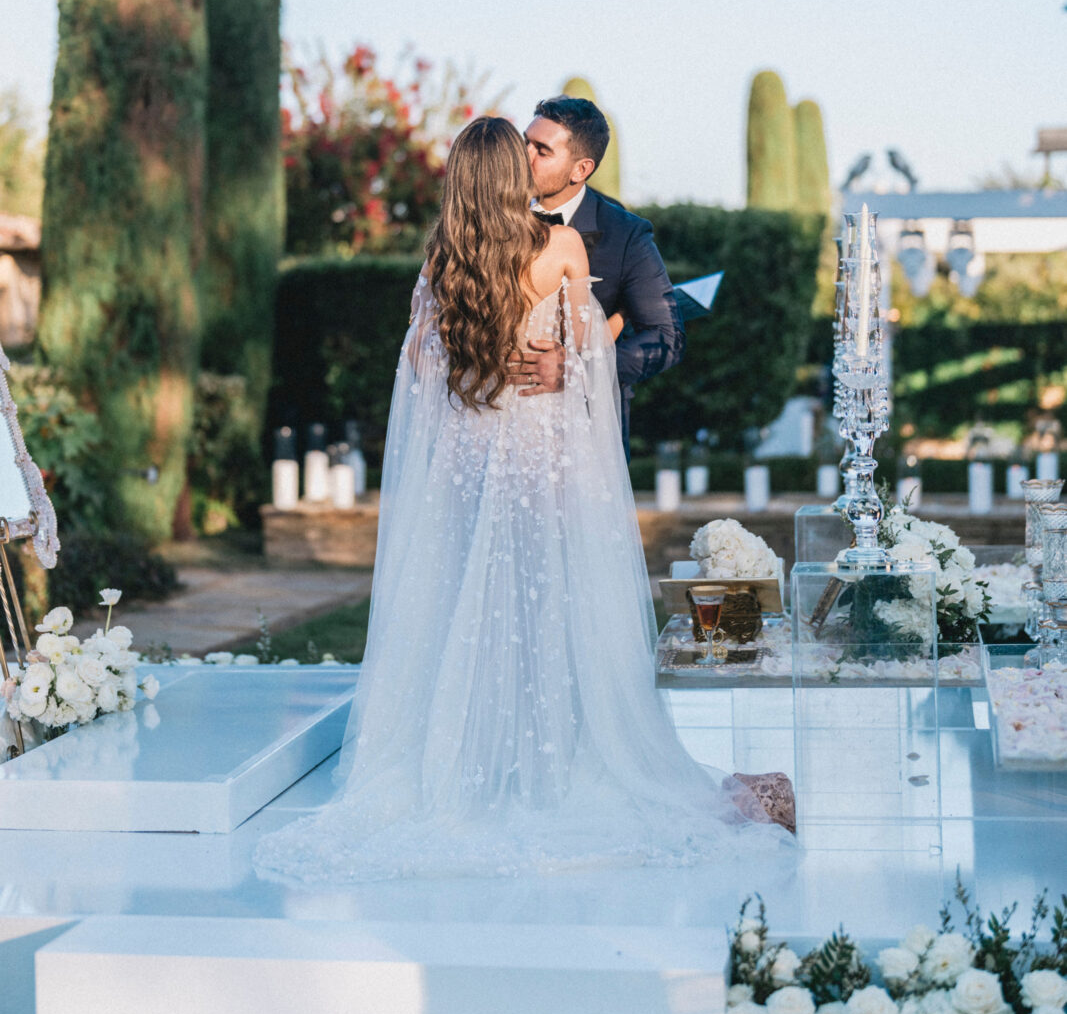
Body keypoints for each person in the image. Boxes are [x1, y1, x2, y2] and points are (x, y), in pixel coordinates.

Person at [254, 118, 791, 884]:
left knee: (469, 608)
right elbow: (587, 367)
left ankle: (478, 761)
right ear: (511, 174)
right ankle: (555, 759)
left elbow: (418, 369)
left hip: (468, 459)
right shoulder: (562, 249)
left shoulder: (442, 260)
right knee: (552, 609)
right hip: (542, 461)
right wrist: (563, 359)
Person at [511, 95, 684, 455]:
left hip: (585, 436)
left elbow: (666, 338)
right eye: (524, 142)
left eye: (542, 151)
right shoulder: (491, 211)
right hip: (496, 425)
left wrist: (578, 369)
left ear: (580, 169)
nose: (524, 157)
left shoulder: (625, 234)